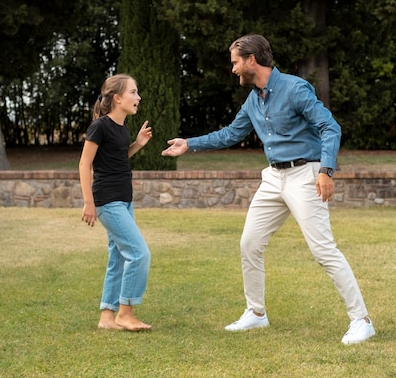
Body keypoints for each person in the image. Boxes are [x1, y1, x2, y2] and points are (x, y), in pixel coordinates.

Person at [161, 34, 375, 344]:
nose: (233, 69)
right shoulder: (253, 100)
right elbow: (230, 134)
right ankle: (256, 314)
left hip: (306, 174)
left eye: (235, 62)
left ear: (251, 60)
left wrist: (326, 170)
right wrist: (189, 144)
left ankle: (362, 320)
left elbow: (330, 127)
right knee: (249, 243)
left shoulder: (294, 88)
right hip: (274, 178)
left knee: (322, 250)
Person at [79, 73, 153, 331]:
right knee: (139, 253)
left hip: (124, 201)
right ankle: (125, 312)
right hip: (107, 201)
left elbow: (117, 157)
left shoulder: (121, 127)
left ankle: (107, 317)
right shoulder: (99, 126)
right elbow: (85, 163)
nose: (138, 97)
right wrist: (89, 202)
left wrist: (137, 144)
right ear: (117, 98)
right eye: (133, 92)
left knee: (119, 258)